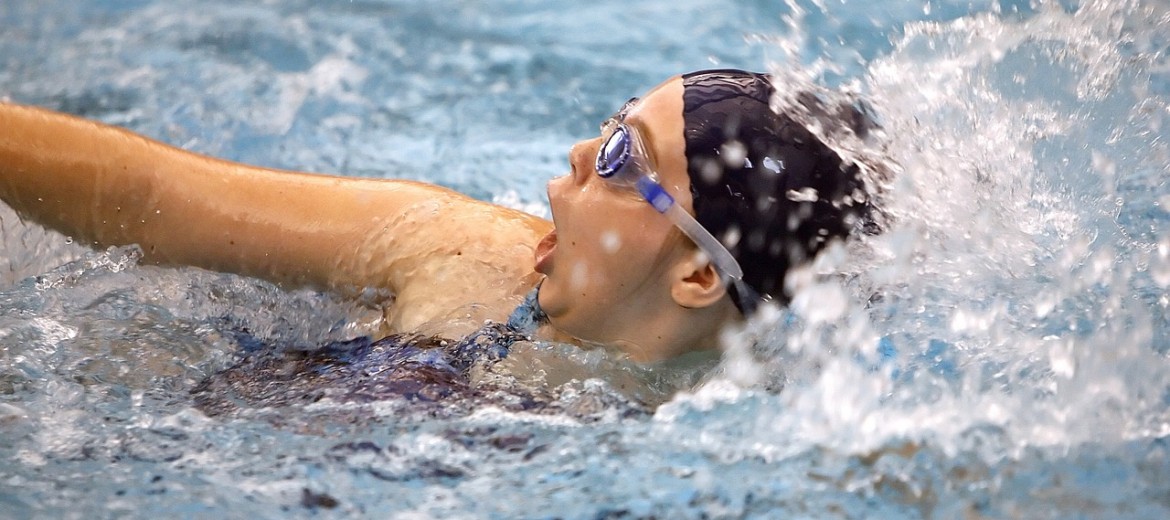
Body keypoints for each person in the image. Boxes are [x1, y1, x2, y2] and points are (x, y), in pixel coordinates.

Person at [0, 69, 877, 363]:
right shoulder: (453, 252)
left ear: (696, 273)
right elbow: (154, 198)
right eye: (609, 123)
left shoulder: (724, 445)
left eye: (623, 159)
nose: (581, 152)